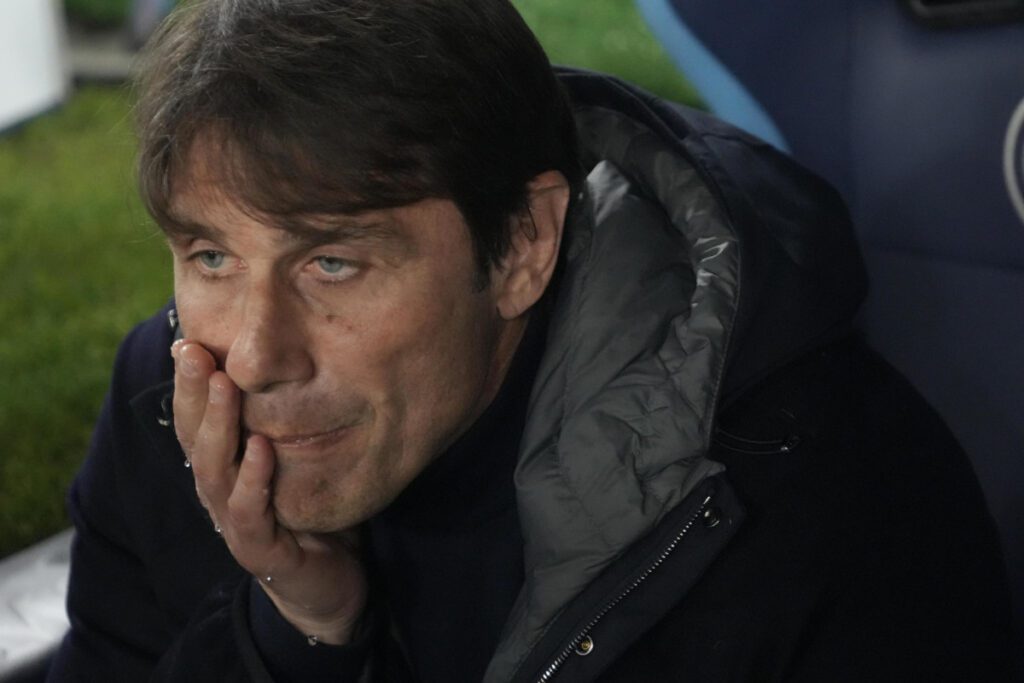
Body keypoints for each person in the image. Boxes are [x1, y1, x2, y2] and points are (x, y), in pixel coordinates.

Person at [48, 1, 1017, 681]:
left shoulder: (819, 501)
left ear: (520, 244)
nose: (256, 356)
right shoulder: (168, 401)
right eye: (211, 255)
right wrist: (299, 631)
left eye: (332, 264)